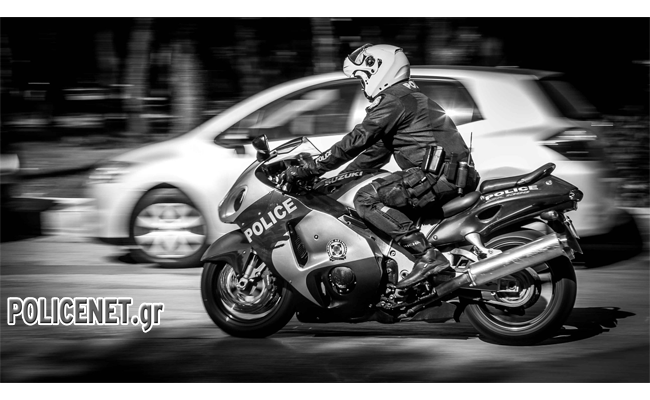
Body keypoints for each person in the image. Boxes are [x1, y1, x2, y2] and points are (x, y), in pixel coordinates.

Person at [280, 44, 478, 290]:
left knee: (366, 199)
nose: (362, 85)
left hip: (436, 177)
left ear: (377, 70)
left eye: (361, 77)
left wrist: (310, 168)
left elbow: (356, 140)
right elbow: (374, 154)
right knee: (374, 190)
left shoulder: (394, 100)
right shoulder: (408, 98)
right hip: (447, 176)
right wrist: (334, 182)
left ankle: (428, 257)